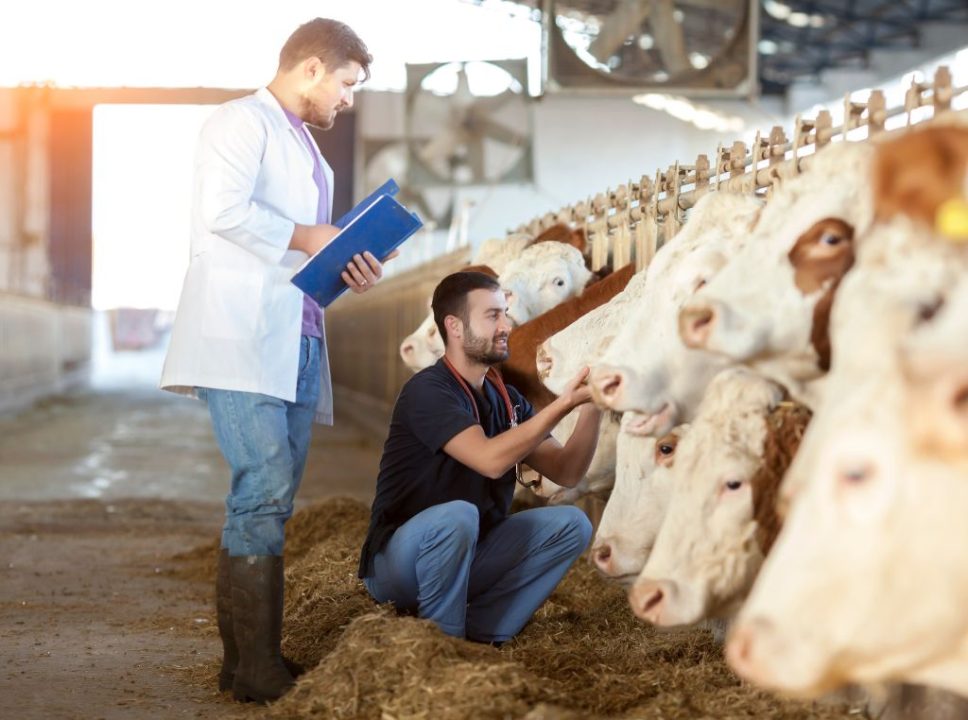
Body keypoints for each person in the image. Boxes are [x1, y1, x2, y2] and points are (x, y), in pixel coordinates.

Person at [160, 18, 384, 704]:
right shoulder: (240, 122)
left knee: (271, 497)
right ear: (312, 69)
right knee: (263, 487)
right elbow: (222, 211)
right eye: (345, 84)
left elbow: (297, 249)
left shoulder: (305, 148)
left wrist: (346, 262)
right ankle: (254, 667)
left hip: (295, 333)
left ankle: (248, 662)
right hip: (242, 335)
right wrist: (317, 234)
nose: (347, 101)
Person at [358, 270, 601, 644]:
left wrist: (593, 403)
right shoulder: (427, 391)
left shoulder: (505, 398)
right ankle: (444, 645)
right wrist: (563, 404)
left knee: (572, 525)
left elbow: (567, 470)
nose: (506, 325)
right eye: (492, 316)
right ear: (454, 327)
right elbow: (489, 460)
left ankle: (485, 635)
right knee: (457, 515)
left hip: (470, 552)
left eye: (505, 313)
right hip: (399, 564)